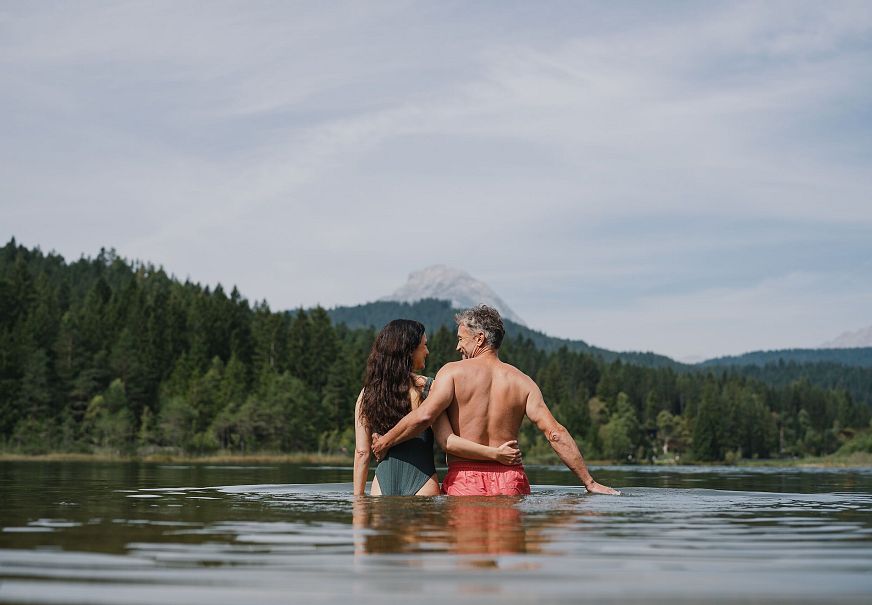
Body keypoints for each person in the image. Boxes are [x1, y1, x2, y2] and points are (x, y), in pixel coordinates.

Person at [372, 305, 620, 496]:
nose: (458, 347)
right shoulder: (523, 382)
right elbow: (554, 433)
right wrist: (589, 481)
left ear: (479, 339)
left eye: (461, 339)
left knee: (469, 558)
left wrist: (384, 442)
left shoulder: (452, 373)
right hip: (511, 480)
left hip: (465, 480)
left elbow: (425, 416)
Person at [353, 319, 521, 496]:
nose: (427, 351)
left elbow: (362, 453)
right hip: (423, 484)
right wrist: (495, 453)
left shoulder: (366, 395)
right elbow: (446, 440)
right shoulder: (428, 388)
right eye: (424, 345)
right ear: (409, 351)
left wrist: (358, 501)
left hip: (381, 486)